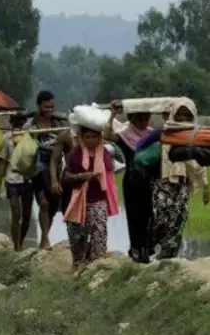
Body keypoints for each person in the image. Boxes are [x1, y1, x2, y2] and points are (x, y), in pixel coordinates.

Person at [151, 103, 209, 259]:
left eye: (187, 115)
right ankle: (160, 247)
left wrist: (205, 186)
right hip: (165, 180)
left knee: (179, 217)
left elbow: (200, 162)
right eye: (180, 115)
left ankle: (169, 254)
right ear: (173, 115)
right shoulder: (165, 132)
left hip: (184, 182)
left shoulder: (196, 135)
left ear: (193, 117)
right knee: (162, 215)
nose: (183, 118)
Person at [101, 101, 155, 263]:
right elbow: (107, 135)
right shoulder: (125, 136)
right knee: (134, 216)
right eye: (138, 119)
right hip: (132, 180)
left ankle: (147, 249)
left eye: (145, 119)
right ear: (131, 119)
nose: (142, 122)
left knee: (150, 215)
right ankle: (136, 249)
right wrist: (112, 114)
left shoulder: (153, 135)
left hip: (151, 181)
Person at [62, 126, 119, 269]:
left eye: (94, 137)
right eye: (87, 137)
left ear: (99, 137)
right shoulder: (75, 154)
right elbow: (66, 176)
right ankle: (78, 262)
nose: (91, 140)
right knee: (77, 234)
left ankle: (96, 264)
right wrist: (82, 176)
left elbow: (114, 168)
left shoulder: (105, 153)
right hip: (79, 199)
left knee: (99, 231)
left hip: (99, 199)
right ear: (82, 137)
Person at [26, 91, 65, 249]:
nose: (50, 109)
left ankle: (44, 236)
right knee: (43, 203)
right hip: (38, 168)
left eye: (52, 106)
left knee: (54, 205)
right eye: (46, 106)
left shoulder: (58, 123)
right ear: (39, 106)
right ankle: (45, 240)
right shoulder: (31, 124)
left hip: (56, 168)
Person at [0, 112, 35, 251]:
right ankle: (16, 246)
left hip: (27, 180)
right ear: (11, 124)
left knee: (27, 216)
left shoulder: (30, 138)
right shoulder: (6, 139)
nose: (18, 125)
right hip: (11, 179)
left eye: (21, 122)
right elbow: (1, 164)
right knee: (16, 211)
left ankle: (21, 241)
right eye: (16, 122)